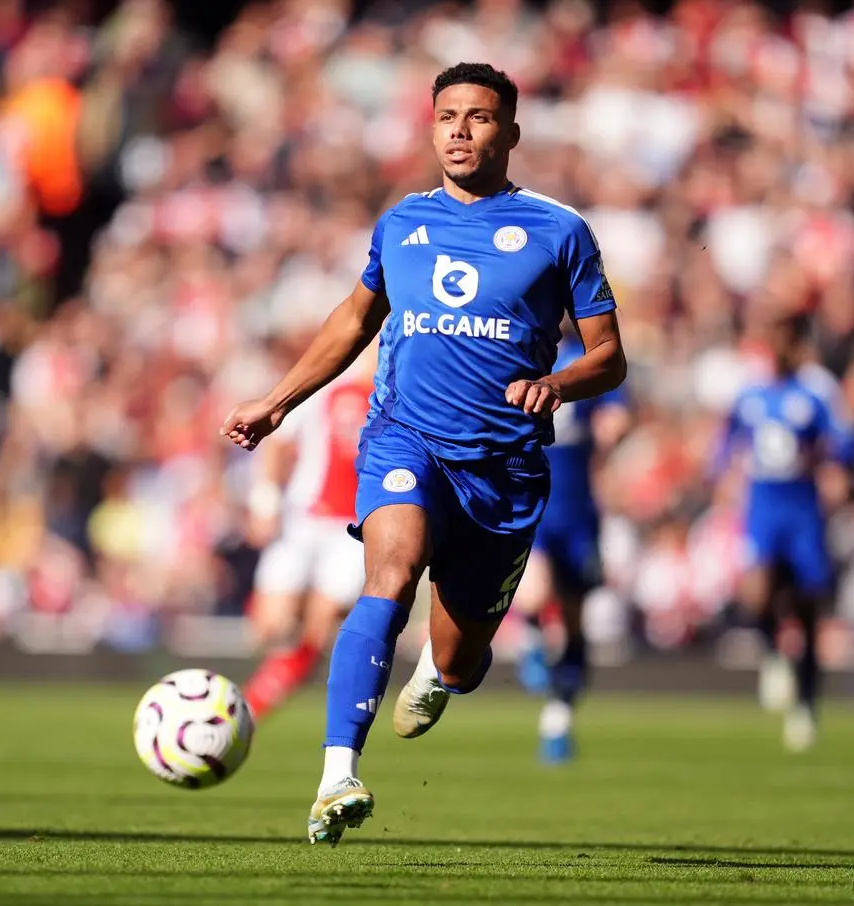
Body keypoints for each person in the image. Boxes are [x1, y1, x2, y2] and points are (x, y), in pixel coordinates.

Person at [221, 62, 626, 846]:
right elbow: (354, 318)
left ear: (511, 132)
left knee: (463, 658)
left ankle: (441, 670)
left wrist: (559, 385)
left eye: (478, 118)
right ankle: (338, 774)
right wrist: (276, 402)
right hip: (405, 439)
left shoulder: (559, 230)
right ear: (431, 125)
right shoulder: (401, 222)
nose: (461, 131)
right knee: (390, 572)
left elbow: (609, 356)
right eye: (447, 117)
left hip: (503, 469)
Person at [714, 309, 854, 752]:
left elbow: (846, 441)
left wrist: (834, 467)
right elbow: (727, 439)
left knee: (809, 608)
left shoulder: (816, 389)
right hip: (763, 504)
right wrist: (723, 474)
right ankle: (774, 654)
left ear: (797, 343)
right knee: (757, 592)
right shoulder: (752, 388)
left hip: (802, 507)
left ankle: (807, 705)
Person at [512, 325, 631, 764]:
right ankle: (530, 635)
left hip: (579, 511)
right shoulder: (521, 346)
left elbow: (616, 410)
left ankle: (558, 719)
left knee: (578, 621)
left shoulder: (590, 357)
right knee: (535, 591)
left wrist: (613, 427)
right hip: (535, 499)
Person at [240, 351, 375, 723]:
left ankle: (249, 709)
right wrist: (265, 503)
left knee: (323, 621)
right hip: (302, 520)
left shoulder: (397, 394)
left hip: (353, 528)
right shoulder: (325, 385)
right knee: (271, 627)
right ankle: (257, 697)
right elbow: (279, 444)